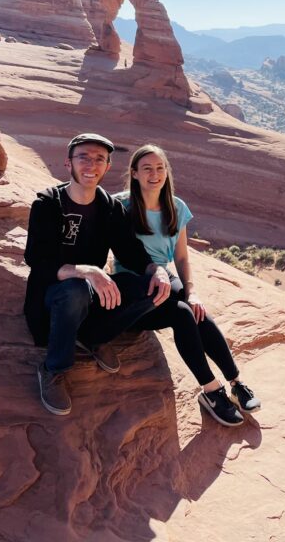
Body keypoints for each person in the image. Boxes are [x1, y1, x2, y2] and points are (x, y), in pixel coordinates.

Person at [112, 143, 261, 427]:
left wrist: (193, 292)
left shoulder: (176, 207)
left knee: (194, 309)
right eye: (147, 169)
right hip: (132, 286)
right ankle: (210, 390)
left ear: (166, 171)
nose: (154, 174)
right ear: (134, 173)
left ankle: (236, 382)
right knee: (181, 313)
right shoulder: (121, 205)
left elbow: (181, 255)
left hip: (164, 277)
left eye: (160, 168)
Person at [23, 133, 172, 416]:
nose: (91, 165)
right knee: (75, 289)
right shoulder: (47, 204)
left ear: (106, 167)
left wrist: (157, 270)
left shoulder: (110, 208)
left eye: (99, 159)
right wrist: (87, 271)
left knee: (150, 288)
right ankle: (53, 368)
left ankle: (92, 337)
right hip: (52, 297)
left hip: (89, 295)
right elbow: (37, 261)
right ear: (68, 164)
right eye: (83, 157)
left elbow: (130, 251)